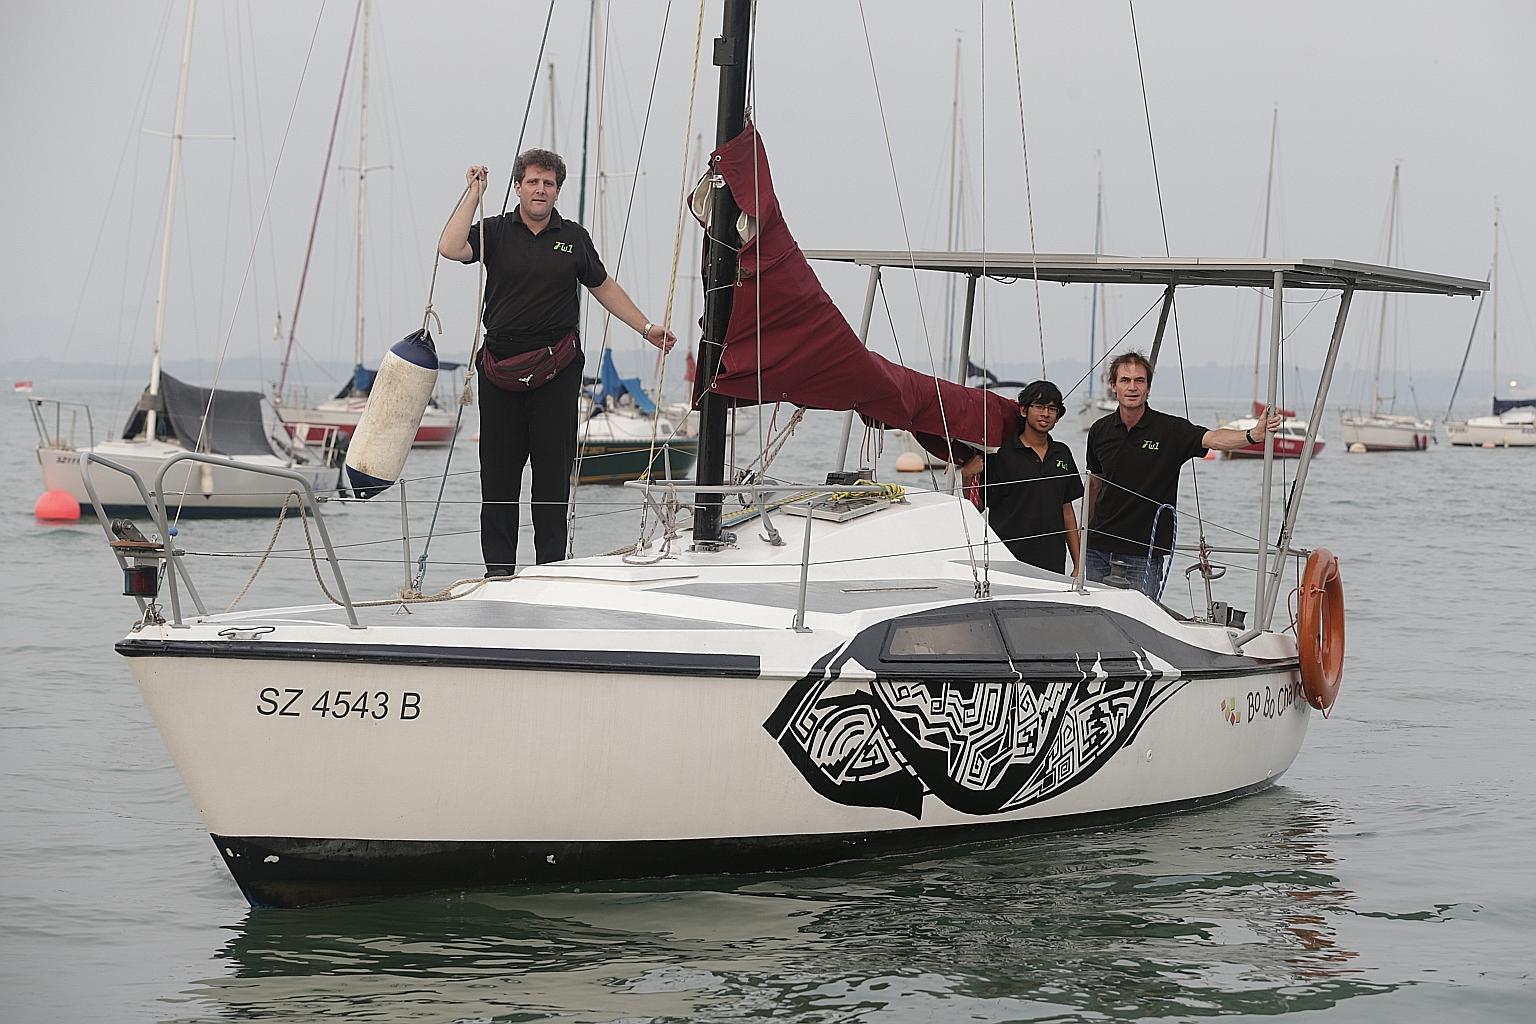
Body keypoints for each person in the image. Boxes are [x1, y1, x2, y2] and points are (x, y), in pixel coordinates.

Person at [438, 150, 676, 576]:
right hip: (500, 370)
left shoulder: (574, 237)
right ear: (518, 187)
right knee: (498, 478)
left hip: (556, 371)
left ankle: (550, 571)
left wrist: (646, 328)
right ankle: (498, 573)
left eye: (548, 183)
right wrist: (474, 193)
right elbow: (450, 247)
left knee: (551, 479)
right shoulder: (495, 231)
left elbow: (603, 286)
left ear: (557, 191)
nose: (540, 190)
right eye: (532, 182)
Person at [1084, 351, 1282, 599]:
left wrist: (1253, 435)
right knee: (1092, 615)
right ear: (1113, 386)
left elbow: (1213, 438)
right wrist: (1083, 539)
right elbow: (1095, 485)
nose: (1132, 387)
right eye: (1125, 380)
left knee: (1139, 619)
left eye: (1139, 380)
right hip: (1097, 549)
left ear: (1148, 388)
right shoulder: (1099, 430)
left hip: (1143, 553)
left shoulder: (1170, 430)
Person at [961, 380, 1084, 575]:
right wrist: (967, 476)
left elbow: (1067, 511)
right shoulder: (1000, 454)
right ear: (1024, 410)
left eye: (1052, 409)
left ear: (1058, 417)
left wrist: (1078, 564)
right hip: (1007, 560)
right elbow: (977, 506)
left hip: (1052, 562)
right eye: (1039, 406)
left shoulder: (1062, 453)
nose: (1045, 413)